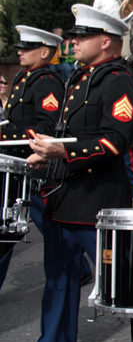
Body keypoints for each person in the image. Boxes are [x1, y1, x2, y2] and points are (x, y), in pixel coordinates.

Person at [6, 4, 133, 342]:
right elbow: (66, 131)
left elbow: (117, 140)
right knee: (60, 276)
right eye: (74, 35)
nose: (73, 41)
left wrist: (62, 149)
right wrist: (47, 155)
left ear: (107, 41)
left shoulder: (118, 79)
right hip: (64, 194)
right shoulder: (81, 77)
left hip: (96, 199)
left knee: (127, 275)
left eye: (81, 36)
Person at [0, 26, 64, 291]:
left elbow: (46, 128)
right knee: (11, 227)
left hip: (31, 165)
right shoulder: (22, 78)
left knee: (14, 226)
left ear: (45, 51)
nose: (19, 51)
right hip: (15, 166)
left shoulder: (46, 81)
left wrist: (6, 134)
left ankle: (74, 268)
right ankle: (75, 267)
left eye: (26, 48)